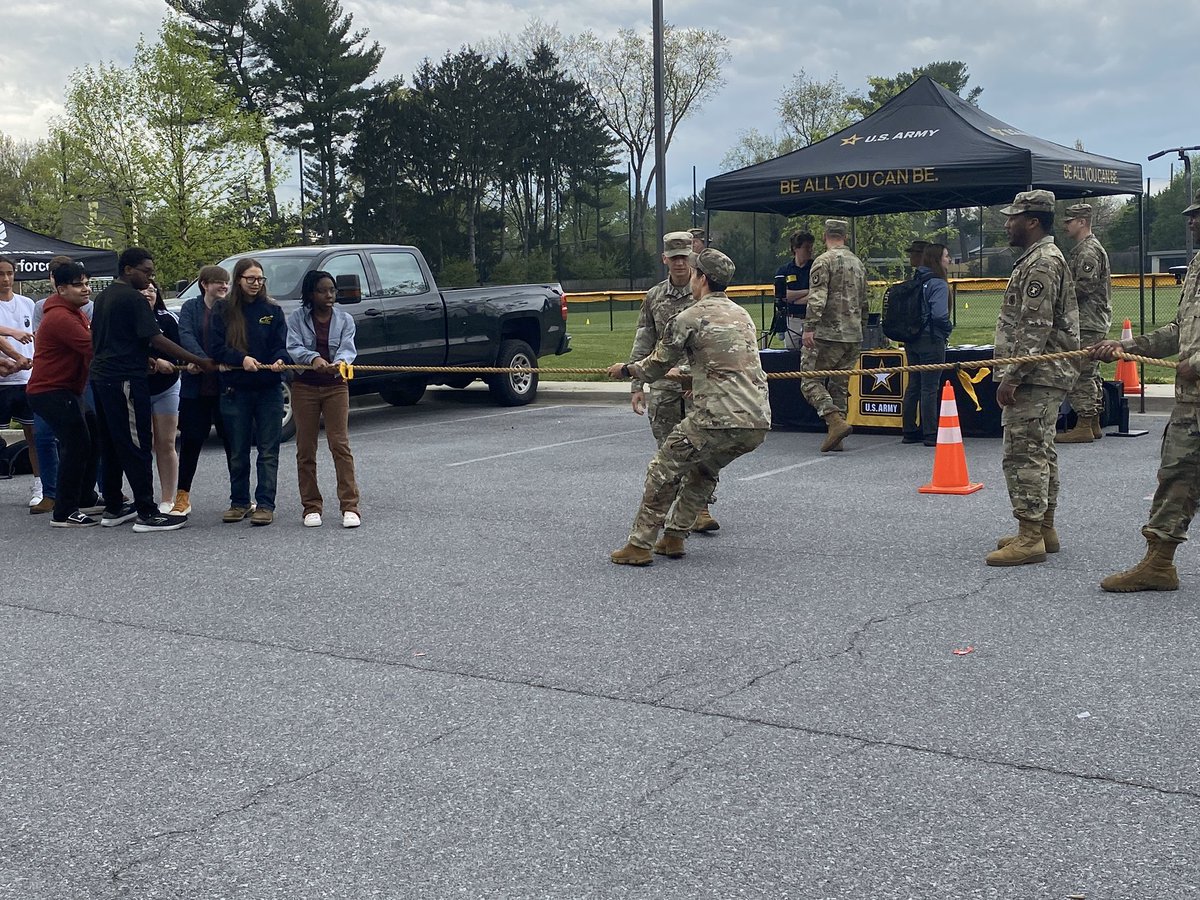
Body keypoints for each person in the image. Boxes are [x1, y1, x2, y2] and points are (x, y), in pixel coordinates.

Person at [607, 248, 770, 565]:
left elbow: (656, 364)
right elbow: (725, 364)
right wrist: (687, 377)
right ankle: (672, 538)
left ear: (702, 279)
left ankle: (639, 546)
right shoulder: (742, 316)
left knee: (662, 470)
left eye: (694, 273)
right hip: (756, 421)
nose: (691, 279)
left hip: (717, 418)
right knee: (702, 471)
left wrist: (626, 371)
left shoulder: (688, 317)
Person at [1090, 189, 1200, 592]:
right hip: (1192, 404)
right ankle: (1159, 563)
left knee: (1180, 475)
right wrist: (1127, 348)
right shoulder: (1198, 265)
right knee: (1177, 476)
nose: (1191, 221)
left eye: (1197, 215)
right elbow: (1179, 331)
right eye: (1190, 215)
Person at [90, 247, 212, 533]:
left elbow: (107, 339)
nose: (150, 277)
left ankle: (114, 506)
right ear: (128, 269)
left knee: (110, 443)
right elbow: (155, 338)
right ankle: (147, 512)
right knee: (137, 444)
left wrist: (143, 360)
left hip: (102, 377)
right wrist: (196, 360)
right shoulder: (132, 298)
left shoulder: (105, 296)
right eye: (145, 271)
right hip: (124, 380)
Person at [987, 190, 1079, 567]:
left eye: (1013, 218)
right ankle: (1044, 528)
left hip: (1035, 374)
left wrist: (1012, 376)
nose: (1007, 224)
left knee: (1023, 453)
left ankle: (1029, 537)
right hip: (1044, 373)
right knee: (1041, 450)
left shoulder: (1041, 262)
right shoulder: (1040, 258)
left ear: (1033, 221)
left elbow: (1034, 327)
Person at [626, 231, 718, 532]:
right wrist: (636, 386)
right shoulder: (654, 297)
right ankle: (670, 510)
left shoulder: (703, 292)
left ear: (692, 257)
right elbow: (644, 340)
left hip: (698, 385)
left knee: (701, 449)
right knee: (669, 450)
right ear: (665, 259)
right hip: (665, 387)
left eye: (685, 257)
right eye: (674, 257)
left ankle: (700, 507)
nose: (680, 263)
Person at [211, 257, 289, 526]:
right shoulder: (223, 310)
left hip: (269, 389)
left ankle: (265, 504)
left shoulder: (272, 310)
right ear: (238, 280)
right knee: (238, 450)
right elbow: (216, 347)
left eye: (260, 279)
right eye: (250, 279)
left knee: (268, 451)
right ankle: (239, 502)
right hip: (237, 389)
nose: (256, 284)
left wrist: (280, 360)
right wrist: (240, 359)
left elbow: (281, 344)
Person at [25, 261, 103, 526]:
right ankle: (64, 511)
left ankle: (84, 497)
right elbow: (92, 348)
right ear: (60, 289)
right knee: (77, 444)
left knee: (92, 436)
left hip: (68, 389)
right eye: (78, 284)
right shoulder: (60, 317)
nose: (86, 289)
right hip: (51, 391)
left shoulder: (73, 312)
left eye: (87, 283)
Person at [286, 270, 361, 528]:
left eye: (332, 290)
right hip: (304, 387)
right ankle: (311, 506)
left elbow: (348, 348)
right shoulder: (296, 318)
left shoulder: (345, 319)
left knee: (340, 445)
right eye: (322, 290)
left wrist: (338, 363)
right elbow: (294, 347)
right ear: (310, 293)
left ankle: (349, 506)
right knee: (305, 448)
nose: (329, 295)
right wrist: (313, 359)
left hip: (336, 386)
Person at [800, 219, 868, 452]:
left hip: (828, 334)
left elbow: (817, 298)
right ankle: (837, 437)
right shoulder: (858, 263)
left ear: (824, 236)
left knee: (810, 380)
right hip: (853, 334)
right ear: (845, 237)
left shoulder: (823, 261)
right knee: (839, 385)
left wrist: (809, 327)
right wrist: (862, 328)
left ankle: (834, 421)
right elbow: (864, 301)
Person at [173, 265, 232, 515]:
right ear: (204, 284)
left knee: (233, 444)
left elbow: (234, 340)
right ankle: (182, 497)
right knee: (191, 443)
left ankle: (240, 497)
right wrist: (200, 361)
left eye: (226, 283)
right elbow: (185, 335)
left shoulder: (231, 310)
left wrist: (219, 362)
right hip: (195, 388)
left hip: (225, 387)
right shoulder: (190, 308)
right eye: (218, 282)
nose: (223, 287)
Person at [1056, 203, 1112, 444]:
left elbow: (1085, 286)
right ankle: (1094, 422)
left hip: (1087, 320)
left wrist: (1059, 298)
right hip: (1091, 319)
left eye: (1069, 221)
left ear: (1081, 222)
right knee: (1090, 370)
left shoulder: (1088, 251)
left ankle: (1084, 423)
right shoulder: (1084, 249)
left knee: (1080, 373)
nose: (1065, 225)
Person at [28, 254, 77, 514]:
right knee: (44, 435)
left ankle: (94, 492)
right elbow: (41, 339)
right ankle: (50, 493)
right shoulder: (42, 307)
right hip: (50, 379)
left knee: (87, 437)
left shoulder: (87, 306)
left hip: (81, 379)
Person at [901, 242, 954, 446]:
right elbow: (939, 315)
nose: (949, 260)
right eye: (946, 256)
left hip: (912, 339)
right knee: (930, 386)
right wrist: (947, 329)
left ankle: (909, 429)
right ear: (937, 259)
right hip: (931, 340)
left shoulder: (916, 279)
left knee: (914, 383)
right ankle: (930, 431)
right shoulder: (938, 283)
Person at [0, 256, 41, 506]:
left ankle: (41, 485)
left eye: (9, 273)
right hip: (2, 380)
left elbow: (37, 337)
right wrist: (12, 358)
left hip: (26, 378)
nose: (5, 279)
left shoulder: (28, 303)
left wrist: (26, 362)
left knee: (34, 434)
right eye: (0, 274)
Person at [144, 280, 183, 511]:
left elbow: (180, 348)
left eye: (152, 289)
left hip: (167, 387)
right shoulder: (126, 319)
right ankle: (144, 496)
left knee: (166, 443)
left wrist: (179, 362)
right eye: (143, 289)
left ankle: (168, 498)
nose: (148, 293)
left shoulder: (168, 319)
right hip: (136, 388)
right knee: (141, 445)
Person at [774, 232, 814, 351]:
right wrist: (806, 291)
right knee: (791, 355)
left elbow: (816, 295)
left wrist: (793, 299)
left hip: (810, 319)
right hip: (791, 320)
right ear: (795, 248)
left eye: (811, 247)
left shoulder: (816, 268)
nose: (810, 250)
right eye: (806, 247)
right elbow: (781, 295)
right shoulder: (784, 270)